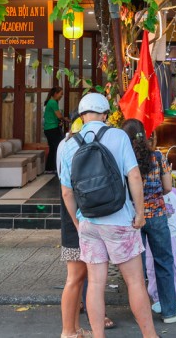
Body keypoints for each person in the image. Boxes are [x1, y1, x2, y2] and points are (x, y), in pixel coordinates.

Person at [59, 93, 159, 338]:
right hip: (119, 220)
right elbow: (134, 176)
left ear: (82, 116)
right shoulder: (118, 136)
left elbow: (66, 191)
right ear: (105, 114)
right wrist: (140, 212)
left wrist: (77, 220)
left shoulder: (68, 144)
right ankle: (149, 335)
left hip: (89, 222)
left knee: (95, 283)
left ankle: (98, 336)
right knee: (135, 282)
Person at [121, 119, 176, 325]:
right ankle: (169, 311)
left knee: (136, 269)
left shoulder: (124, 159)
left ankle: (139, 312)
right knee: (164, 263)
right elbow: (168, 187)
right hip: (157, 216)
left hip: (133, 217)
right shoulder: (158, 157)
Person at [57, 118, 114, 338]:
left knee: (79, 278)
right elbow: (66, 190)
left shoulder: (71, 144)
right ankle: (68, 331)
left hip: (77, 216)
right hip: (76, 218)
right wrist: (76, 222)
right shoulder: (70, 145)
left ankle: (74, 328)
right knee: (75, 277)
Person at [145, 177, 176, 313]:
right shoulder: (149, 194)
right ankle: (156, 299)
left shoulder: (175, 193)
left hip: (172, 235)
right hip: (152, 235)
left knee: (172, 265)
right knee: (151, 267)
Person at [44, 86, 66, 173]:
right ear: (55, 93)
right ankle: (53, 168)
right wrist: (65, 119)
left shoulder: (50, 102)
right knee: (58, 147)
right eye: (61, 94)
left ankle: (50, 168)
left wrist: (59, 121)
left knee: (53, 148)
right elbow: (59, 116)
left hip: (49, 129)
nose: (61, 96)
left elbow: (53, 117)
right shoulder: (53, 102)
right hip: (52, 129)